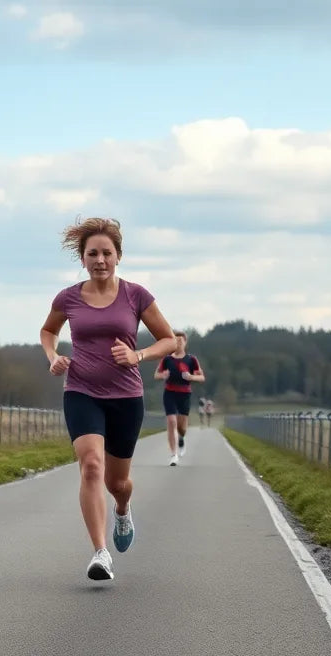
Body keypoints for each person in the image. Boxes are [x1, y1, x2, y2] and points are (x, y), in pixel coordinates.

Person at [40, 217, 178, 581]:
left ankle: (122, 507)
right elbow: (48, 331)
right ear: (82, 259)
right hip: (81, 391)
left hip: (126, 398)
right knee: (91, 467)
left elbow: (169, 340)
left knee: (117, 482)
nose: (99, 260)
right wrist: (54, 357)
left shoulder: (136, 295)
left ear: (118, 256)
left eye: (106, 253)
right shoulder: (68, 297)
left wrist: (138, 356)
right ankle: (100, 553)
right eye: (92, 254)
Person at [154, 331, 204, 465]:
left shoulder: (191, 359)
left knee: (182, 427)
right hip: (169, 393)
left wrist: (191, 377)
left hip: (184, 394)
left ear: (185, 343)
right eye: (175, 341)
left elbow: (201, 377)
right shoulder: (167, 359)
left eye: (180, 341)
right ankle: (173, 454)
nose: (178, 343)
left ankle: (181, 438)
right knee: (171, 422)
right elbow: (156, 375)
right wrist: (163, 375)